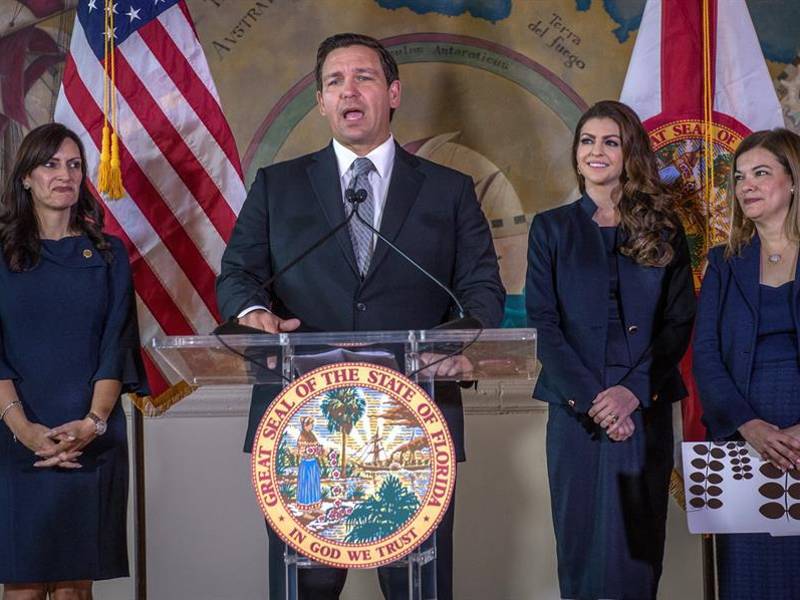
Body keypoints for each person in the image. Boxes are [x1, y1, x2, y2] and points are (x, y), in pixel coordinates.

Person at [216, 32, 504, 600]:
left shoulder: (448, 191)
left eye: (364, 77)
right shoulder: (278, 187)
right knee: (308, 587)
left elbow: (482, 293)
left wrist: (448, 347)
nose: (349, 90)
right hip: (305, 432)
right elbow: (238, 277)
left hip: (413, 428)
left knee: (415, 587)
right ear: (321, 103)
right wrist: (254, 315)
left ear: (393, 93)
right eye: (334, 81)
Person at [525, 100, 696, 600]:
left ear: (629, 153)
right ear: (576, 154)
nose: (596, 151)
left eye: (610, 141)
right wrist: (595, 401)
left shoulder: (663, 228)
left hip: (644, 409)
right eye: (587, 141)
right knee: (579, 548)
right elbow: (543, 323)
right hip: (576, 411)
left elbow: (678, 321)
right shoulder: (550, 229)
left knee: (637, 550)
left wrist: (631, 394)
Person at [0, 123, 147, 599]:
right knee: (21, 586)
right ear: (25, 177)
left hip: (91, 436)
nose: (64, 174)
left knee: (73, 588)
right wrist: (25, 431)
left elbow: (116, 349)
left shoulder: (108, 256)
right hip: (12, 436)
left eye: (75, 164)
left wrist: (91, 423)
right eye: (50, 163)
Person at [693, 128, 800, 600]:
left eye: (761, 173)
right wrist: (747, 424)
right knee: (747, 579)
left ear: (793, 181)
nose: (746, 186)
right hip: (742, 438)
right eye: (739, 177)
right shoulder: (722, 263)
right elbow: (706, 355)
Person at [296, 416, 322, 510]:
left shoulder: (312, 435)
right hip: (306, 464)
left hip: (313, 463)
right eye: (310, 424)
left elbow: (317, 446)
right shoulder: (302, 436)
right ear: (305, 426)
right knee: (306, 486)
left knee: (314, 485)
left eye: (312, 424)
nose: (312, 426)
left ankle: (314, 507)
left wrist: (318, 450)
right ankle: (306, 511)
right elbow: (301, 451)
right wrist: (309, 451)